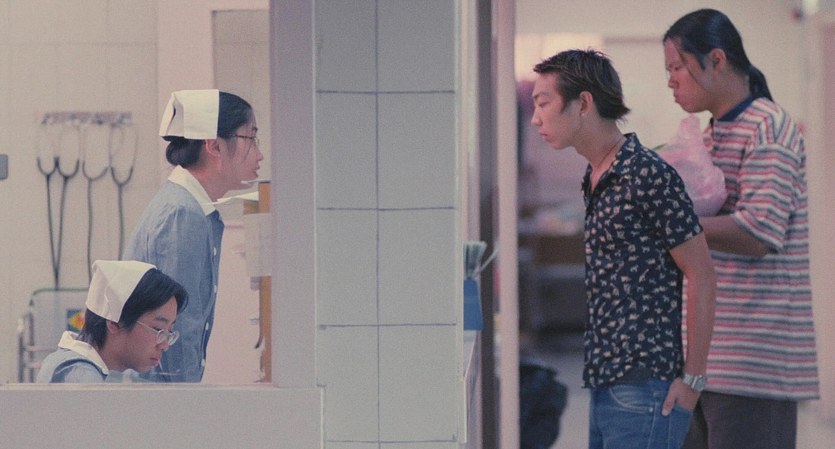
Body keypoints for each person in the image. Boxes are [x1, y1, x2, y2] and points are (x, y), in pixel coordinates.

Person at [530, 49, 716, 449]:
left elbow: (701, 272)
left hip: (646, 383)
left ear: (583, 104)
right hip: (606, 380)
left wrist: (694, 379)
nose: (535, 118)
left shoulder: (646, 174)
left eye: (543, 103)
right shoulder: (597, 174)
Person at [663, 9, 819, 449]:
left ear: (716, 60)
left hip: (755, 361)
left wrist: (672, 225)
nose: (671, 81)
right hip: (708, 358)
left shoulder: (768, 126)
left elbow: (759, 232)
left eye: (678, 67)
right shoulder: (711, 135)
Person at [124, 89, 263, 382]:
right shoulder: (182, 213)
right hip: (161, 394)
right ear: (214, 146)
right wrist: (186, 399)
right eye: (250, 138)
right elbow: (177, 326)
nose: (259, 154)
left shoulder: (194, 210)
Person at [37, 260, 188, 383]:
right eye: (158, 329)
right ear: (115, 322)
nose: (164, 345)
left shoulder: (79, 368)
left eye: (169, 332)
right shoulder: (80, 378)